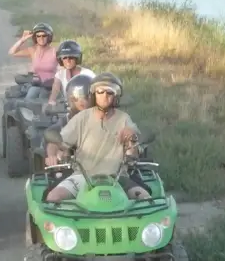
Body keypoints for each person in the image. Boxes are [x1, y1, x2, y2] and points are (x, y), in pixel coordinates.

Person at [46, 72, 151, 202]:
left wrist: (132, 138)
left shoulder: (124, 119)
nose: (104, 96)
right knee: (53, 197)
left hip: (117, 178)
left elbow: (133, 151)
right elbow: (61, 141)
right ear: (93, 94)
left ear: (116, 96)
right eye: (100, 91)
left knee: (145, 198)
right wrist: (57, 153)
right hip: (83, 176)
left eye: (110, 92)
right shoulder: (81, 118)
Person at [45, 74, 92, 167]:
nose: (83, 101)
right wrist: (52, 156)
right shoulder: (65, 121)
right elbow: (54, 142)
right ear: (71, 98)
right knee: (62, 152)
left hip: (102, 165)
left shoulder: (101, 118)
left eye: (87, 97)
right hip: (74, 168)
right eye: (77, 98)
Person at [8, 22, 57, 99]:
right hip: (37, 85)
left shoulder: (55, 51)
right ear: (35, 38)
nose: (41, 38)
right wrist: (22, 39)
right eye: (38, 36)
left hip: (53, 86)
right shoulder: (33, 50)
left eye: (44, 36)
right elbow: (12, 52)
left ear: (49, 37)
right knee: (28, 100)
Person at [47, 40, 96, 105]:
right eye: (64, 58)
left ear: (77, 58)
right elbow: (55, 89)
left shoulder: (88, 74)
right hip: (67, 109)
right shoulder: (60, 74)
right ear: (61, 60)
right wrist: (51, 101)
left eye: (71, 57)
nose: (68, 60)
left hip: (85, 107)